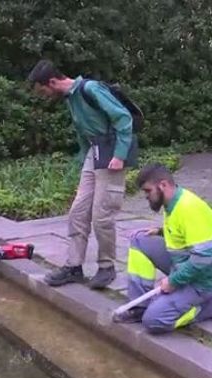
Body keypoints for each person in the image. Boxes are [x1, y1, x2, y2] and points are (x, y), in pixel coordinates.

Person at [27, 59, 135, 289]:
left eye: (43, 90)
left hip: (111, 150)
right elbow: (82, 133)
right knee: (78, 212)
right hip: (94, 153)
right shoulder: (70, 98)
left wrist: (120, 154)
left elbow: (124, 118)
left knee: (101, 215)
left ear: (53, 82)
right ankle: (74, 267)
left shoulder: (90, 89)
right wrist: (85, 161)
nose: (43, 95)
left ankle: (107, 268)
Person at [113, 163, 212, 334]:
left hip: (202, 279)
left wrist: (174, 282)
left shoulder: (189, 208)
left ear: (163, 185)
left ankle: (210, 305)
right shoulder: (173, 201)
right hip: (183, 264)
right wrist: (160, 231)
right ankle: (139, 306)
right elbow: (184, 234)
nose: (146, 196)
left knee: (153, 321)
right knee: (139, 241)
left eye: (147, 191)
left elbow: (202, 258)